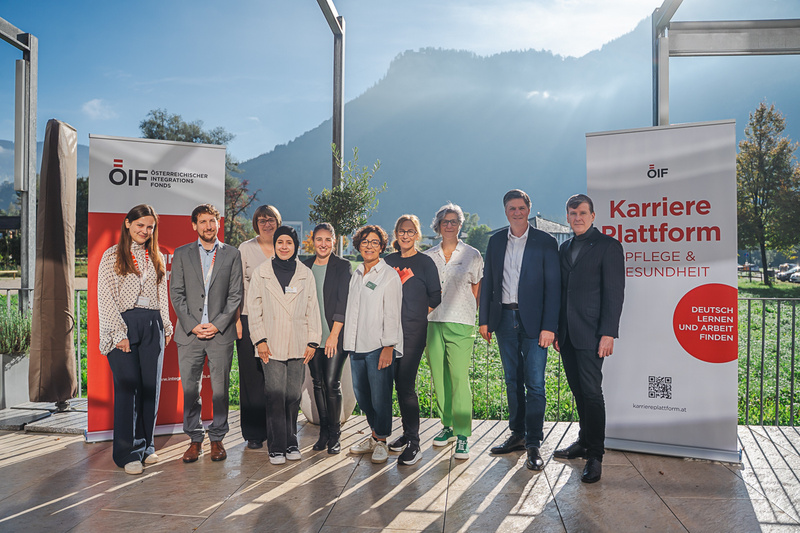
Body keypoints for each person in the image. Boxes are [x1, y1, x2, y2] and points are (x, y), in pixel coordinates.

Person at [479, 189, 560, 471]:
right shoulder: (496, 240)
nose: (517, 212)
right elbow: (488, 281)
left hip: (536, 323)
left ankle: (534, 442)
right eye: (511, 208)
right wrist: (484, 320)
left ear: (529, 209)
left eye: (521, 207)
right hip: (504, 320)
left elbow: (554, 288)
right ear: (505, 211)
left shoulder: (546, 241)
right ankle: (517, 434)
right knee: (512, 380)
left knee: (535, 383)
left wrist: (550, 326)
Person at [553, 194, 625, 484]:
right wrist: (558, 330)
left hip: (593, 333)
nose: (578, 217)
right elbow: (561, 292)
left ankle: (595, 455)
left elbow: (614, 293)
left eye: (583, 212)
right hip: (568, 334)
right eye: (573, 213)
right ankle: (583, 442)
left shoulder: (608, 246)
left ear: (593, 216)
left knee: (592, 393)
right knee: (579, 391)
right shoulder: (564, 247)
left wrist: (608, 333)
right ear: (568, 217)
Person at [97, 204, 173, 475]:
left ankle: (147, 446)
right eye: (140, 225)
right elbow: (104, 298)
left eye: (150, 226)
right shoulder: (111, 256)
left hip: (153, 323)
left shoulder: (158, 256)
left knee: (151, 389)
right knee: (128, 390)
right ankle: (127, 453)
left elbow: (162, 294)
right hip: (124, 324)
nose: (145, 231)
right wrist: (119, 334)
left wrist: (165, 325)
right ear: (128, 224)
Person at [170, 204, 243, 463]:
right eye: (202, 222)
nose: (208, 226)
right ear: (194, 225)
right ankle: (194, 440)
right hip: (189, 334)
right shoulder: (181, 254)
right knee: (191, 389)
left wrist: (219, 323)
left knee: (221, 389)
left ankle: (218, 439)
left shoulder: (232, 254)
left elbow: (235, 295)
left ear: (218, 223)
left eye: (212, 221)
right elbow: (176, 293)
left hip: (220, 334)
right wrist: (191, 324)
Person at [248, 226, 321, 464]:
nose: (284, 246)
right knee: (275, 395)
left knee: (292, 395)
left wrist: (313, 340)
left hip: (299, 344)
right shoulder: (262, 272)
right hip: (271, 344)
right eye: (280, 242)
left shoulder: (304, 273)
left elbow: (313, 308)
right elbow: (254, 309)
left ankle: (292, 442)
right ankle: (277, 446)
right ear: (275, 244)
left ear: (295, 245)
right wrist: (259, 339)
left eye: (289, 242)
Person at [425, 204, 483, 460]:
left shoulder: (472, 255)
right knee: (440, 378)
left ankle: (462, 435)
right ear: (438, 225)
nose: (449, 225)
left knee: (459, 378)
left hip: (461, 323)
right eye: (445, 221)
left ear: (461, 225)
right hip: (433, 322)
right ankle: (447, 426)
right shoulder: (427, 256)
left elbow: (476, 290)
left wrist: (465, 313)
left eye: (454, 221)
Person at [384, 215, 441, 465]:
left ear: (417, 234)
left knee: (405, 385)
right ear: (396, 234)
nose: (405, 235)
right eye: (401, 231)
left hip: (413, 334)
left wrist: (415, 317)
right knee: (388, 386)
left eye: (410, 231)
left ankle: (414, 442)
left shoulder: (425, 263)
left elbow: (435, 297)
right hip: (385, 335)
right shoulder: (388, 262)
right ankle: (405, 434)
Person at [344, 225, 403, 464]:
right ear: (358, 245)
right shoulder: (357, 273)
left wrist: (389, 346)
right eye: (365, 241)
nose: (369, 246)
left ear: (382, 247)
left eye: (375, 242)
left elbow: (392, 313)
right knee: (363, 395)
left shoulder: (389, 275)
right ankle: (374, 435)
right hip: (356, 345)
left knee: (380, 396)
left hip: (378, 346)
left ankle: (381, 442)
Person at [302, 223, 352, 454]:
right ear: (313, 240)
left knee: (332, 384)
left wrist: (333, 335)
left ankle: (335, 434)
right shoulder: (304, 266)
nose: (323, 244)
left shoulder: (343, 266)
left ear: (334, 241)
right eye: (319, 239)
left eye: (327, 239)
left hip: (334, 336)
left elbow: (343, 302)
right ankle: (323, 433)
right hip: (312, 337)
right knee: (318, 383)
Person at [236, 205, 282, 449]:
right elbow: (236, 287)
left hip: (278, 321)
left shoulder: (284, 246)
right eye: (262, 220)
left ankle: (277, 428)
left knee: (275, 376)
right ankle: (254, 433)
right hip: (247, 317)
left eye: (271, 219)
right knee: (251, 376)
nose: (267, 224)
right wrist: (237, 320)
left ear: (278, 221)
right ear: (256, 223)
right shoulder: (246, 248)